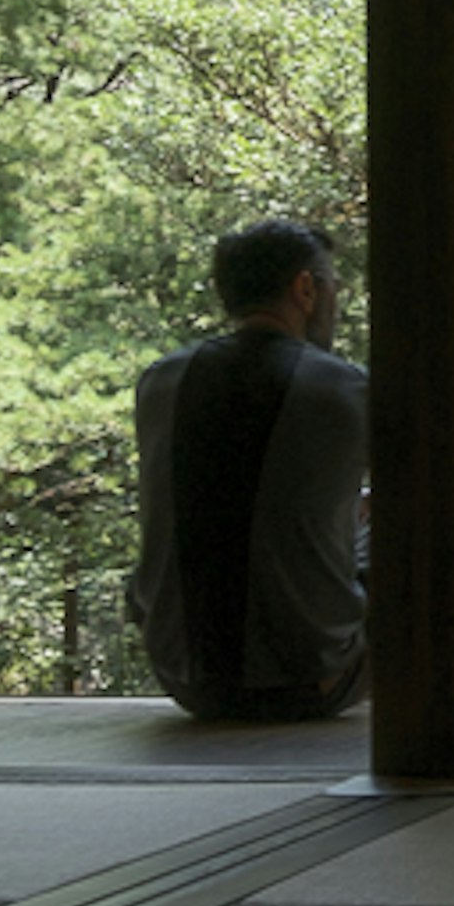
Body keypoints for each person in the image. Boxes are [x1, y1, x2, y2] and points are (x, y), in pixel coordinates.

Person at [130, 218, 369, 722]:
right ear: (305, 288)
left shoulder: (159, 382)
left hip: (185, 682)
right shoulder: (345, 388)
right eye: (333, 289)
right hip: (312, 681)